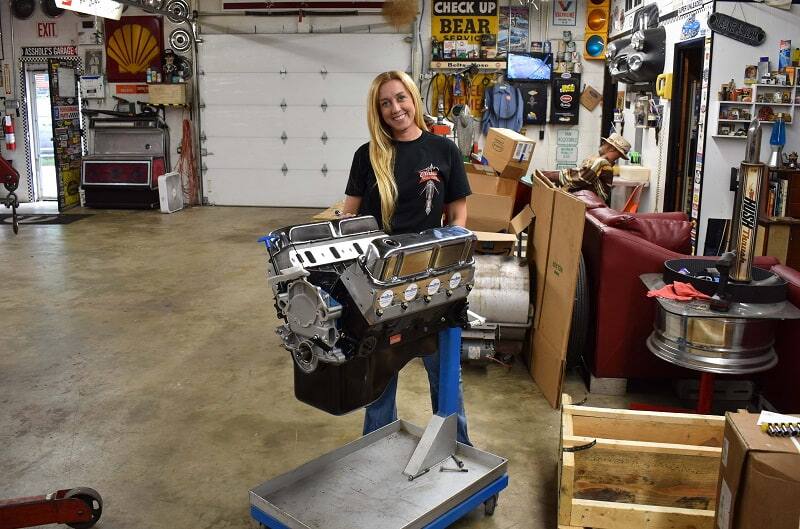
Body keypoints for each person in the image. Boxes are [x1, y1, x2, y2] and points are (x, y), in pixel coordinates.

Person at [342, 70, 473, 445]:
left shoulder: (443, 150)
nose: (395, 108)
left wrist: (451, 261)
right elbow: (349, 217)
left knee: (446, 379)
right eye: (385, 103)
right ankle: (375, 452)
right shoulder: (367, 156)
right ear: (378, 111)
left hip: (433, 283)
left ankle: (458, 451)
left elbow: (458, 217)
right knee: (379, 384)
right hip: (381, 287)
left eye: (400, 98)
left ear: (414, 99)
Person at [542, 133, 631, 201]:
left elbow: (578, 178)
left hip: (587, 205)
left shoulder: (602, 163)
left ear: (612, 148)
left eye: (605, 143)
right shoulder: (603, 163)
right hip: (588, 203)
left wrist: (544, 175)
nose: (602, 143)